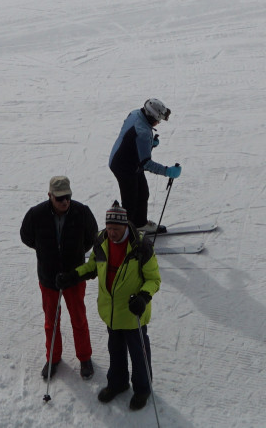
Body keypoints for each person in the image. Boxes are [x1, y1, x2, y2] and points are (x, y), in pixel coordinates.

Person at [60, 202, 161, 410]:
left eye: (116, 229)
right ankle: (118, 383)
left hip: (133, 313)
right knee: (115, 351)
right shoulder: (101, 240)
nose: (112, 233)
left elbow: (154, 279)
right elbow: (93, 266)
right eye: (109, 228)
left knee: (139, 354)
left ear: (125, 226)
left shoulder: (141, 246)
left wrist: (143, 297)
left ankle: (142, 389)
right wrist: (73, 276)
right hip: (111, 312)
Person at [19, 174, 99, 381]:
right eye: (60, 198)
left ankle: (85, 357)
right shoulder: (36, 214)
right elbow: (26, 236)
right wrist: (46, 252)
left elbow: (91, 238)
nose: (65, 202)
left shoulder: (82, 212)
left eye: (68, 197)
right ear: (50, 196)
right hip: (49, 278)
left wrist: (75, 256)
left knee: (79, 318)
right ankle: (53, 358)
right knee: (51, 321)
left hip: (74, 276)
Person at [108, 97, 180, 234]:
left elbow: (131, 138)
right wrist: (168, 171)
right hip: (123, 166)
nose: (158, 123)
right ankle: (124, 233)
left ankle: (140, 224)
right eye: (158, 120)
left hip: (128, 160)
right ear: (152, 117)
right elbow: (146, 163)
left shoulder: (135, 113)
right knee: (130, 201)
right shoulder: (143, 132)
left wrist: (149, 143)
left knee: (143, 193)